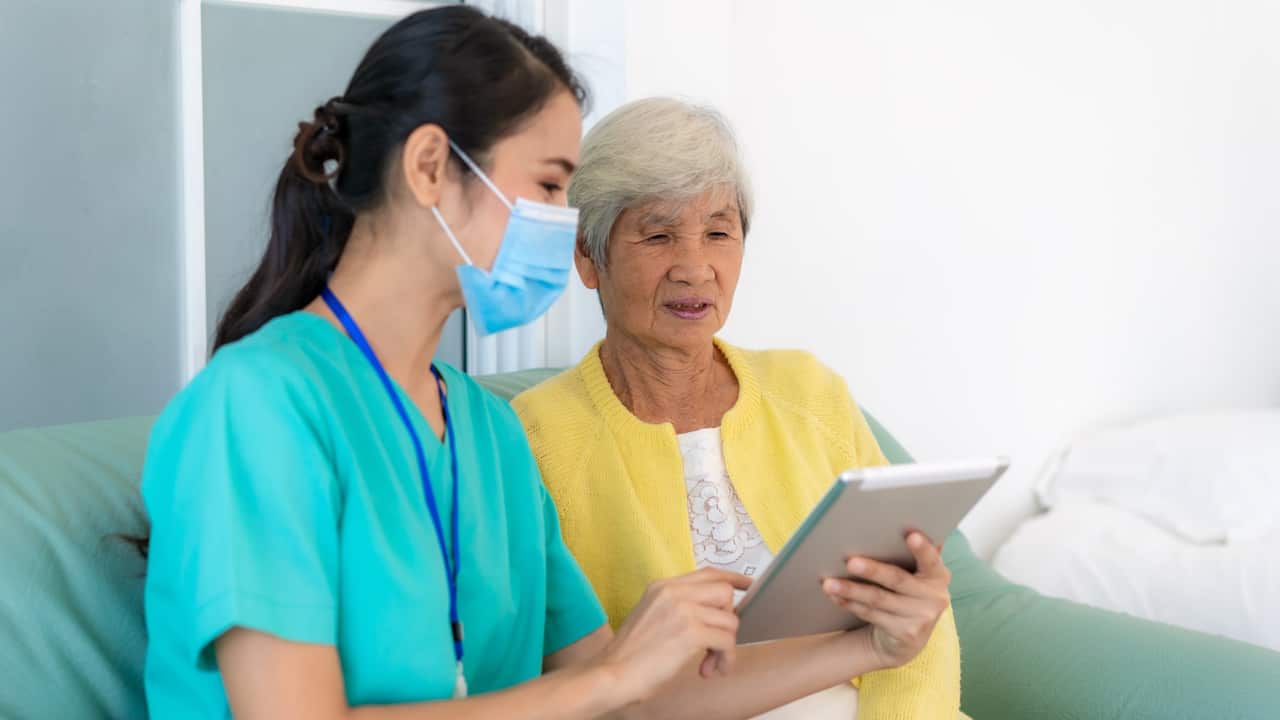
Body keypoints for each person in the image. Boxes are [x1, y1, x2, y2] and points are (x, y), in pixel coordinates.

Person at [140, 9, 752, 717]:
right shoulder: (255, 406)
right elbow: (608, 686)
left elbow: (636, 700)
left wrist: (873, 645)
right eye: (551, 186)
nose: (564, 221)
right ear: (431, 167)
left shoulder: (490, 432)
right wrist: (610, 680)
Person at [513, 97, 963, 719]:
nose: (696, 268)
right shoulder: (534, 440)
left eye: (719, 232)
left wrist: (920, 598)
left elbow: (919, 629)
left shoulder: (809, 391)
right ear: (589, 257)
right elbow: (582, 688)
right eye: (659, 234)